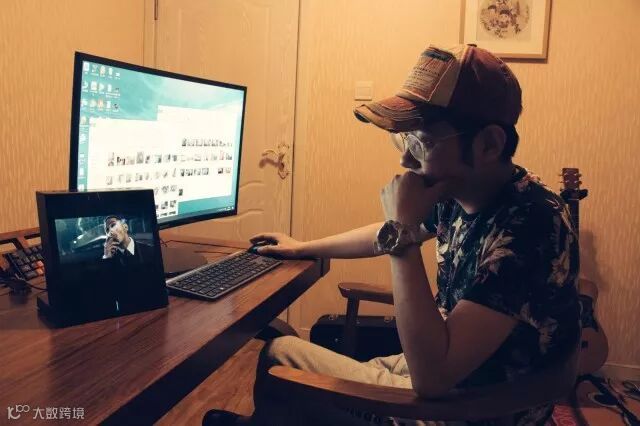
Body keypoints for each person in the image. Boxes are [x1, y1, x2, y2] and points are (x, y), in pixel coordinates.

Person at [203, 44, 580, 426]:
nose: (405, 160)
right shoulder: (467, 190)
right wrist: (303, 247)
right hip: (456, 367)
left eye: (421, 143)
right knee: (296, 381)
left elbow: (432, 378)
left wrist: (401, 237)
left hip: (470, 406)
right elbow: (382, 235)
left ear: (488, 144)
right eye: (405, 140)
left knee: (279, 356)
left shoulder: (531, 225)